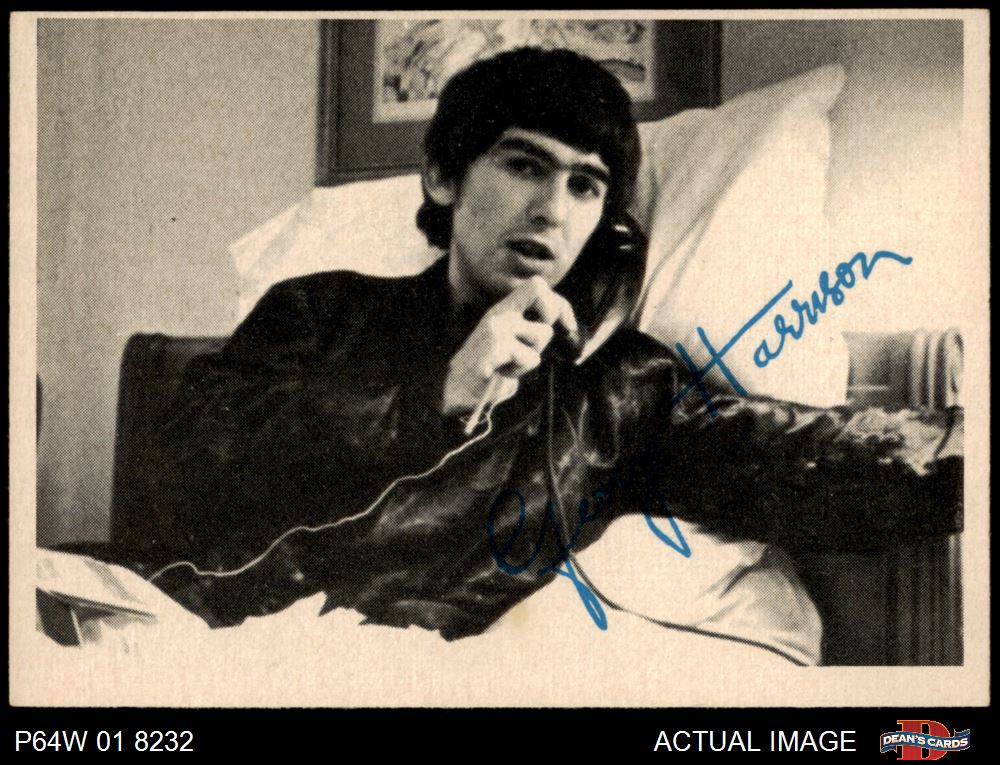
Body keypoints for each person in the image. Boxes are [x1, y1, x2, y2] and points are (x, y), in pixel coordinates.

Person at [141, 48, 962, 663]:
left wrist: (970, 449)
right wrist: (436, 395)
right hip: (179, 628)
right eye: (525, 164)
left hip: (376, 666)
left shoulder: (616, 389)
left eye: (585, 185)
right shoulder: (319, 309)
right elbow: (185, 460)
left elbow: (803, 458)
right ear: (444, 176)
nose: (551, 209)